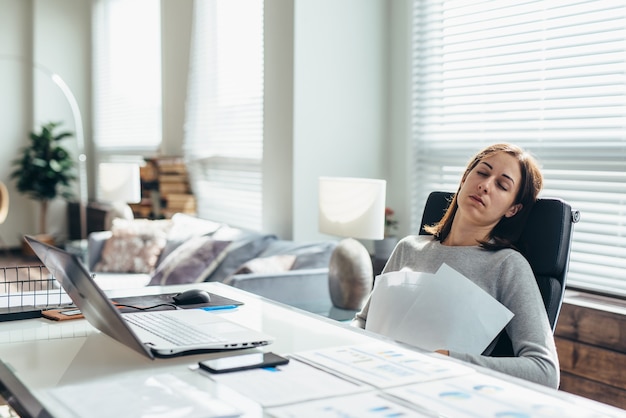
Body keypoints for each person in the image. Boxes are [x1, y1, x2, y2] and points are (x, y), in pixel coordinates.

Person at [352, 143, 560, 389]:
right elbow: (363, 323)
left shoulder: (507, 265)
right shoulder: (408, 247)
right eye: (482, 173)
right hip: (369, 377)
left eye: (502, 185)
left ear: (512, 209)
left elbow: (545, 370)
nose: (485, 185)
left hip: (438, 392)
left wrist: (448, 360)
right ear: (464, 179)